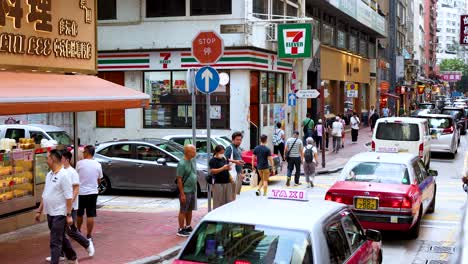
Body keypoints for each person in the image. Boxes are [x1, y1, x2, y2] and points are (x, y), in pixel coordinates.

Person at [35, 150, 77, 264]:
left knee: (55, 241)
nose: (46, 160)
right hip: (50, 212)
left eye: (47, 157)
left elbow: (69, 197)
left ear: (53, 159)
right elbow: (45, 194)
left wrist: (68, 215)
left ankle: (55, 261)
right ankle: (72, 257)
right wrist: (39, 210)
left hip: (60, 213)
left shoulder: (64, 175)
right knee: (60, 237)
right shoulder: (49, 174)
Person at [76, 145, 103, 241]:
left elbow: (76, 177)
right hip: (92, 192)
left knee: (79, 213)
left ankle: (78, 231)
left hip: (80, 192)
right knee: (90, 214)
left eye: (83, 152)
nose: (83, 153)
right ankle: (89, 235)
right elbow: (99, 180)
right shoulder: (98, 164)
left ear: (87, 152)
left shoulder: (79, 164)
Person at [176, 144, 198, 237]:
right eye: (194, 151)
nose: (195, 153)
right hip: (185, 190)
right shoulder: (182, 163)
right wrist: (182, 194)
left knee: (189, 209)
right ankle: (180, 229)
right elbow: (179, 179)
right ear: (188, 152)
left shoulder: (191, 160)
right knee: (183, 210)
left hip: (192, 189)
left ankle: (188, 226)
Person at [209, 145, 234, 209]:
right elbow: (212, 171)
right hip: (218, 183)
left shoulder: (223, 158)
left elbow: (226, 166)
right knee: (218, 201)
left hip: (227, 182)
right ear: (216, 152)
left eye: (223, 153)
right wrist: (222, 168)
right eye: (221, 153)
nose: (222, 154)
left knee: (228, 201)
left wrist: (228, 168)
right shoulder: (213, 160)